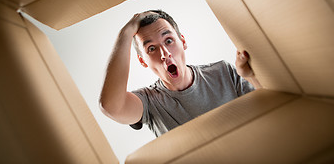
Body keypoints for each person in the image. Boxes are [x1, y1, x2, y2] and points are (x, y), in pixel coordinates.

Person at [100, 10, 262, 137]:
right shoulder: (149, 102)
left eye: (169, 41)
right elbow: (111, 107)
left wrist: (249, 75)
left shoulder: (223, 71)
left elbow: (267, 111)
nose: (164, 54)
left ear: (183, 41)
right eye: (151, 48)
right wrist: (126, 32)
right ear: (143, 61)